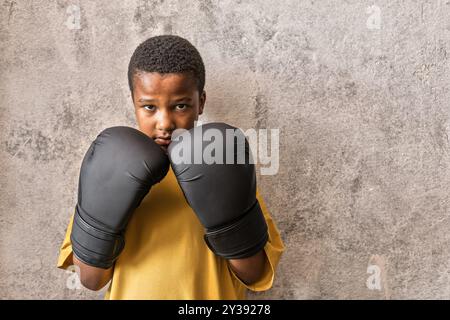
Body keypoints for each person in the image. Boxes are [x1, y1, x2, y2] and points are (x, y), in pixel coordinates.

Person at [57, 35, 285, 299]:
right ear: (134, 102)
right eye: (149, 107)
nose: (165, 123)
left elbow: (254, 274)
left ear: (201, 102)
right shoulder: (109, 168)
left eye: (180, 105)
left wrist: (229, 221)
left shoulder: (224, 165)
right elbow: (91, 279)